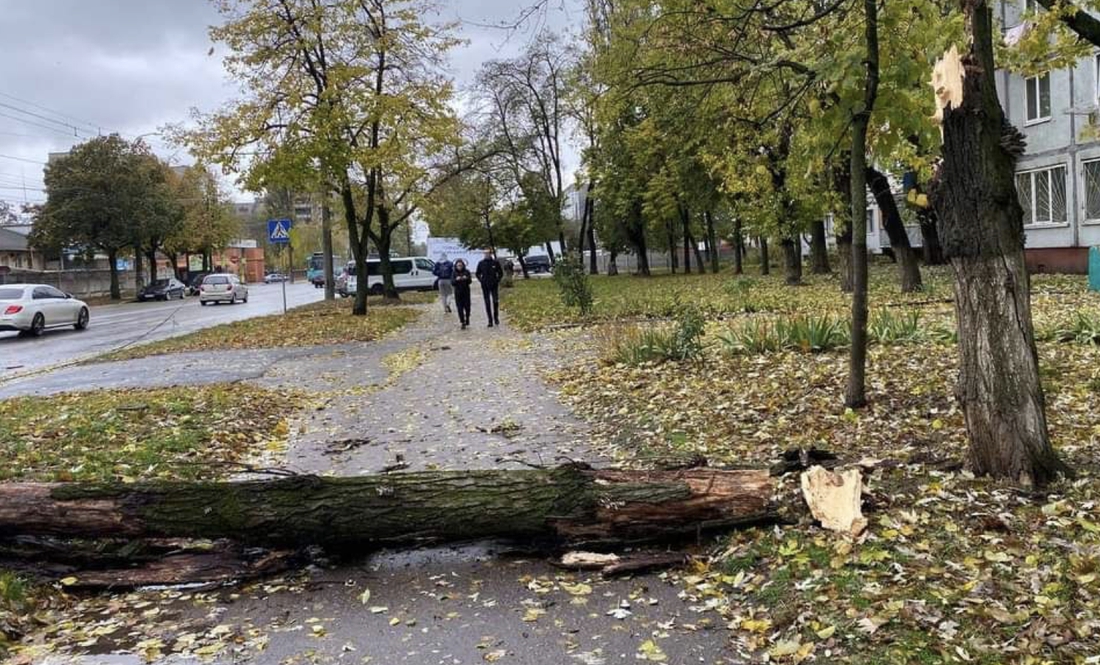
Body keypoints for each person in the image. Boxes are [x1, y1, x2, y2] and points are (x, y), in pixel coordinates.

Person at [475, 248, 503, 327]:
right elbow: (477, 273)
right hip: (485, 285)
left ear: (490, 254)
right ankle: (490, 320)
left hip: (494, 284)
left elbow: (500, 273)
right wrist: (481, 280)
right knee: (487, 302)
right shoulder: (481, 263)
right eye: (485, 253)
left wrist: (497, 280)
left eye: (488, 253)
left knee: (495, 301)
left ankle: (496, 317)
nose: (486, 255)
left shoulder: (495, 262)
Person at [451, 258, 472, 329]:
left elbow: (470, 281)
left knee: (467, 307)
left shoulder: (467, 271)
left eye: (460, 265)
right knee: (459, 308)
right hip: (458, 292)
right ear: (456, 266)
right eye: (458, 266)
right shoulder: (454, 273)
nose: (459, 267)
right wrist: (456, 280)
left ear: (463, 265)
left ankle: (467, 317)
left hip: (466, 292)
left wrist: (466, 278)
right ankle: (462, 321)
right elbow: (452, 282)